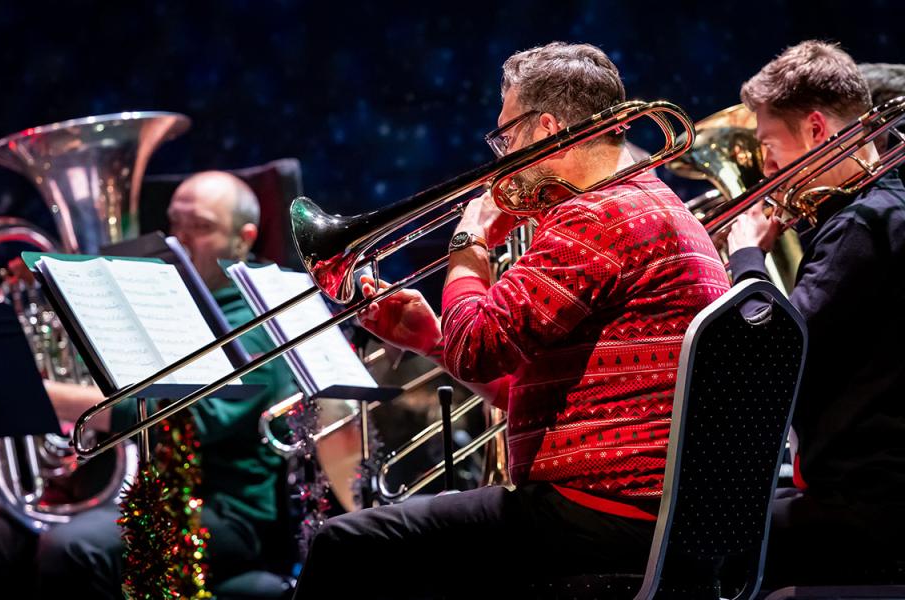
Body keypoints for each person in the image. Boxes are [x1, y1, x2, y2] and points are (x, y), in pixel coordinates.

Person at [291, 42, 729, 599]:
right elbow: (513, 389)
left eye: (507, 136)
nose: (501, 156)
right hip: (646, 515)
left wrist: (468, 244)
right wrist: (430, 340)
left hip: (601, 515)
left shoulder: (596, 215)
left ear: (546, 127)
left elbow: (478, 348)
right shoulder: (653, 204)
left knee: (344, 546)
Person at [0, 171, 299, 599]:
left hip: (223, 511)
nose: (181, 241)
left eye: (202, 227)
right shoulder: (162, 298)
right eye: (176, 224)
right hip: (135, 488)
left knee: (74, 548)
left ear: (244, 238)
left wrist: (46, 395)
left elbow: (194, 417)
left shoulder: (257, 316)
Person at [726, 41, 905, 585]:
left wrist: (747, 256)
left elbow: (771, 347)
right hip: (874, 488)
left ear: (817, 130)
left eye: (768, 145)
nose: (767, 166)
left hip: (871, 503)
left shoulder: (861, 225)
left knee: (699, 539)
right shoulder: (882, 205)